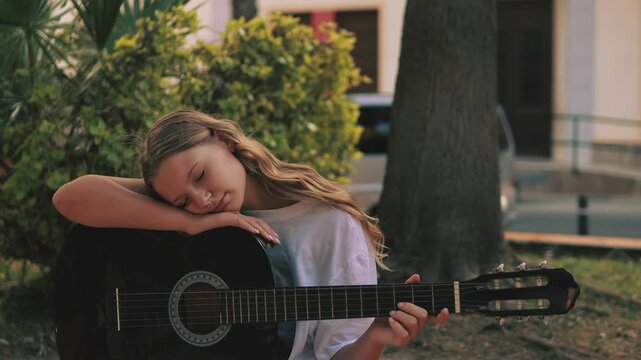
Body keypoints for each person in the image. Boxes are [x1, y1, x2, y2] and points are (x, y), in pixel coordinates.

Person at [52, 109, 448, 360]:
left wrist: (376, 337)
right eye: (183, 199)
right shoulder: (188, 212)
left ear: (224, 141)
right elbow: (71, 198)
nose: (203, 199)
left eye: (200, 176)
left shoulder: (331, 225)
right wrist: (189, 224)